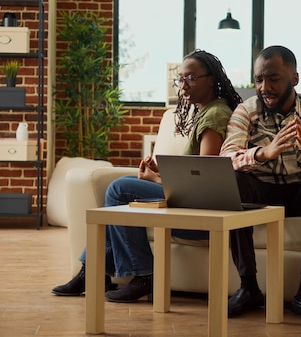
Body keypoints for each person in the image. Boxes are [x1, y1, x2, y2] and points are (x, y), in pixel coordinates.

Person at [52, 49, 243, 303]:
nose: (184, 85)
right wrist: (162, 173)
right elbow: (193, 173)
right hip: (191, 204)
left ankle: (141, 276)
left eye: (192, 79)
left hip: (201, 215)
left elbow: (203, 182)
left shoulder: (216, 114)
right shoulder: (205, 111)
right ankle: (93, 271)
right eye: (181, 79)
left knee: (120, 190)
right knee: (120, 189)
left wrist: (154, 181)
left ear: (211, 79)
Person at [220, 45, 301, 325]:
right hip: (261, 191)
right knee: (234, 180)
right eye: (258, 80)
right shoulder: (246, 112)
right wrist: (263, 153)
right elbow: (226, 159)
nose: (264, 87)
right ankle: (249, 287)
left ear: (295, 78)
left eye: (273, 78)